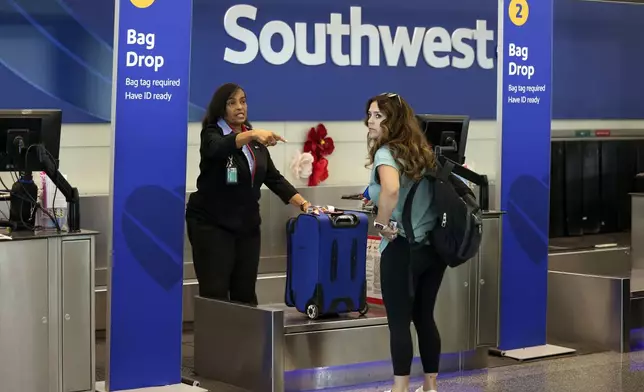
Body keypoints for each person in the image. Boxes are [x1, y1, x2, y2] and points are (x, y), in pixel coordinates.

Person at [186, 83, 312, 305]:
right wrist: (253, 134)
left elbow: (273, 178)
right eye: (232, 102)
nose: (239, 107)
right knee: (215, 293)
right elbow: (218, 148)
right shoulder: (212, 133)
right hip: (212, 224)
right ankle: (218, 340)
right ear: (220, 108)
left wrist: (304, 204)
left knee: (245, 293)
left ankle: (246, 340)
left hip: (246, 224)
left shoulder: (253, 141)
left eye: (243, 101)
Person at [365, 93, 446, 392]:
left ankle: (399, 388)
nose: (369, 121)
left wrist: (381, 223)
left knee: (399, 321)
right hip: (431, 250)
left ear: (392, 121)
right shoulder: (423, 151)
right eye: (370, 115)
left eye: (376, 116)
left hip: (400, 247)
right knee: (425, 317)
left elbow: (391, 189)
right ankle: (430, 386)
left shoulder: (386, 153)